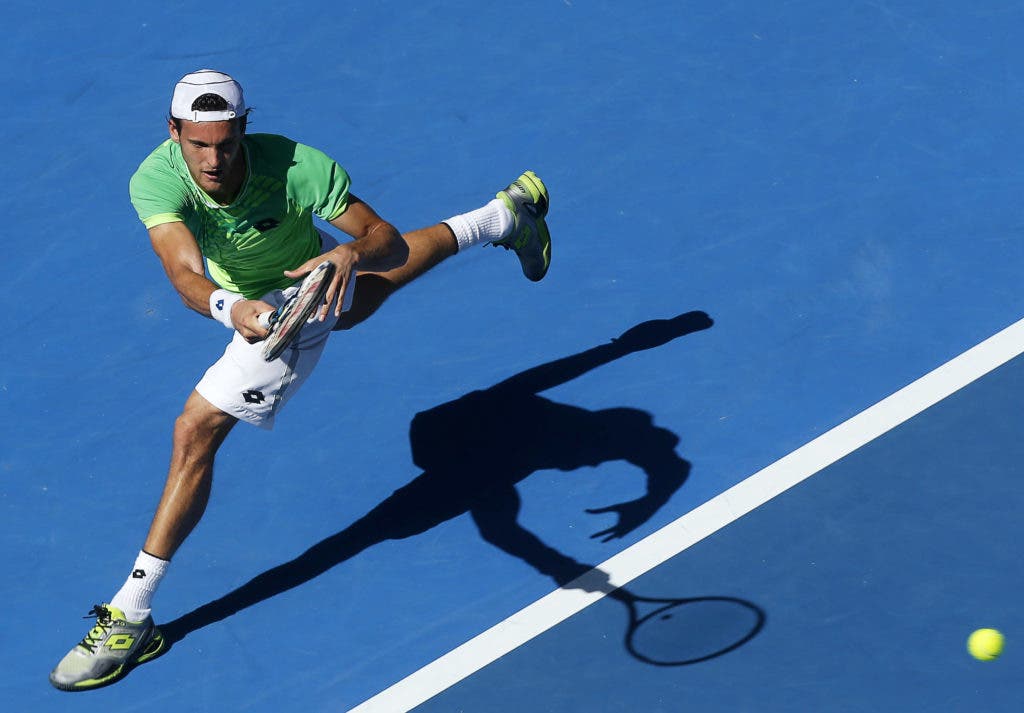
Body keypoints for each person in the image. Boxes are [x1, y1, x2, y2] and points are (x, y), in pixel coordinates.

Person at [49, 69, 552, 691]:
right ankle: (499, 218)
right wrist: (232, 309)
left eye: (227, 142)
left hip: (295, 290)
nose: (213, 159)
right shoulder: (154, 180)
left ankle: (133, 614)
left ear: (244, 131)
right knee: (355, 306)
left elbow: (382, 238)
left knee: (196, 429)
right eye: (198, 144)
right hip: (244, 298)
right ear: (173, 132)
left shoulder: (295, 166)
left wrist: (347, 252)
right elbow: (183, 273)